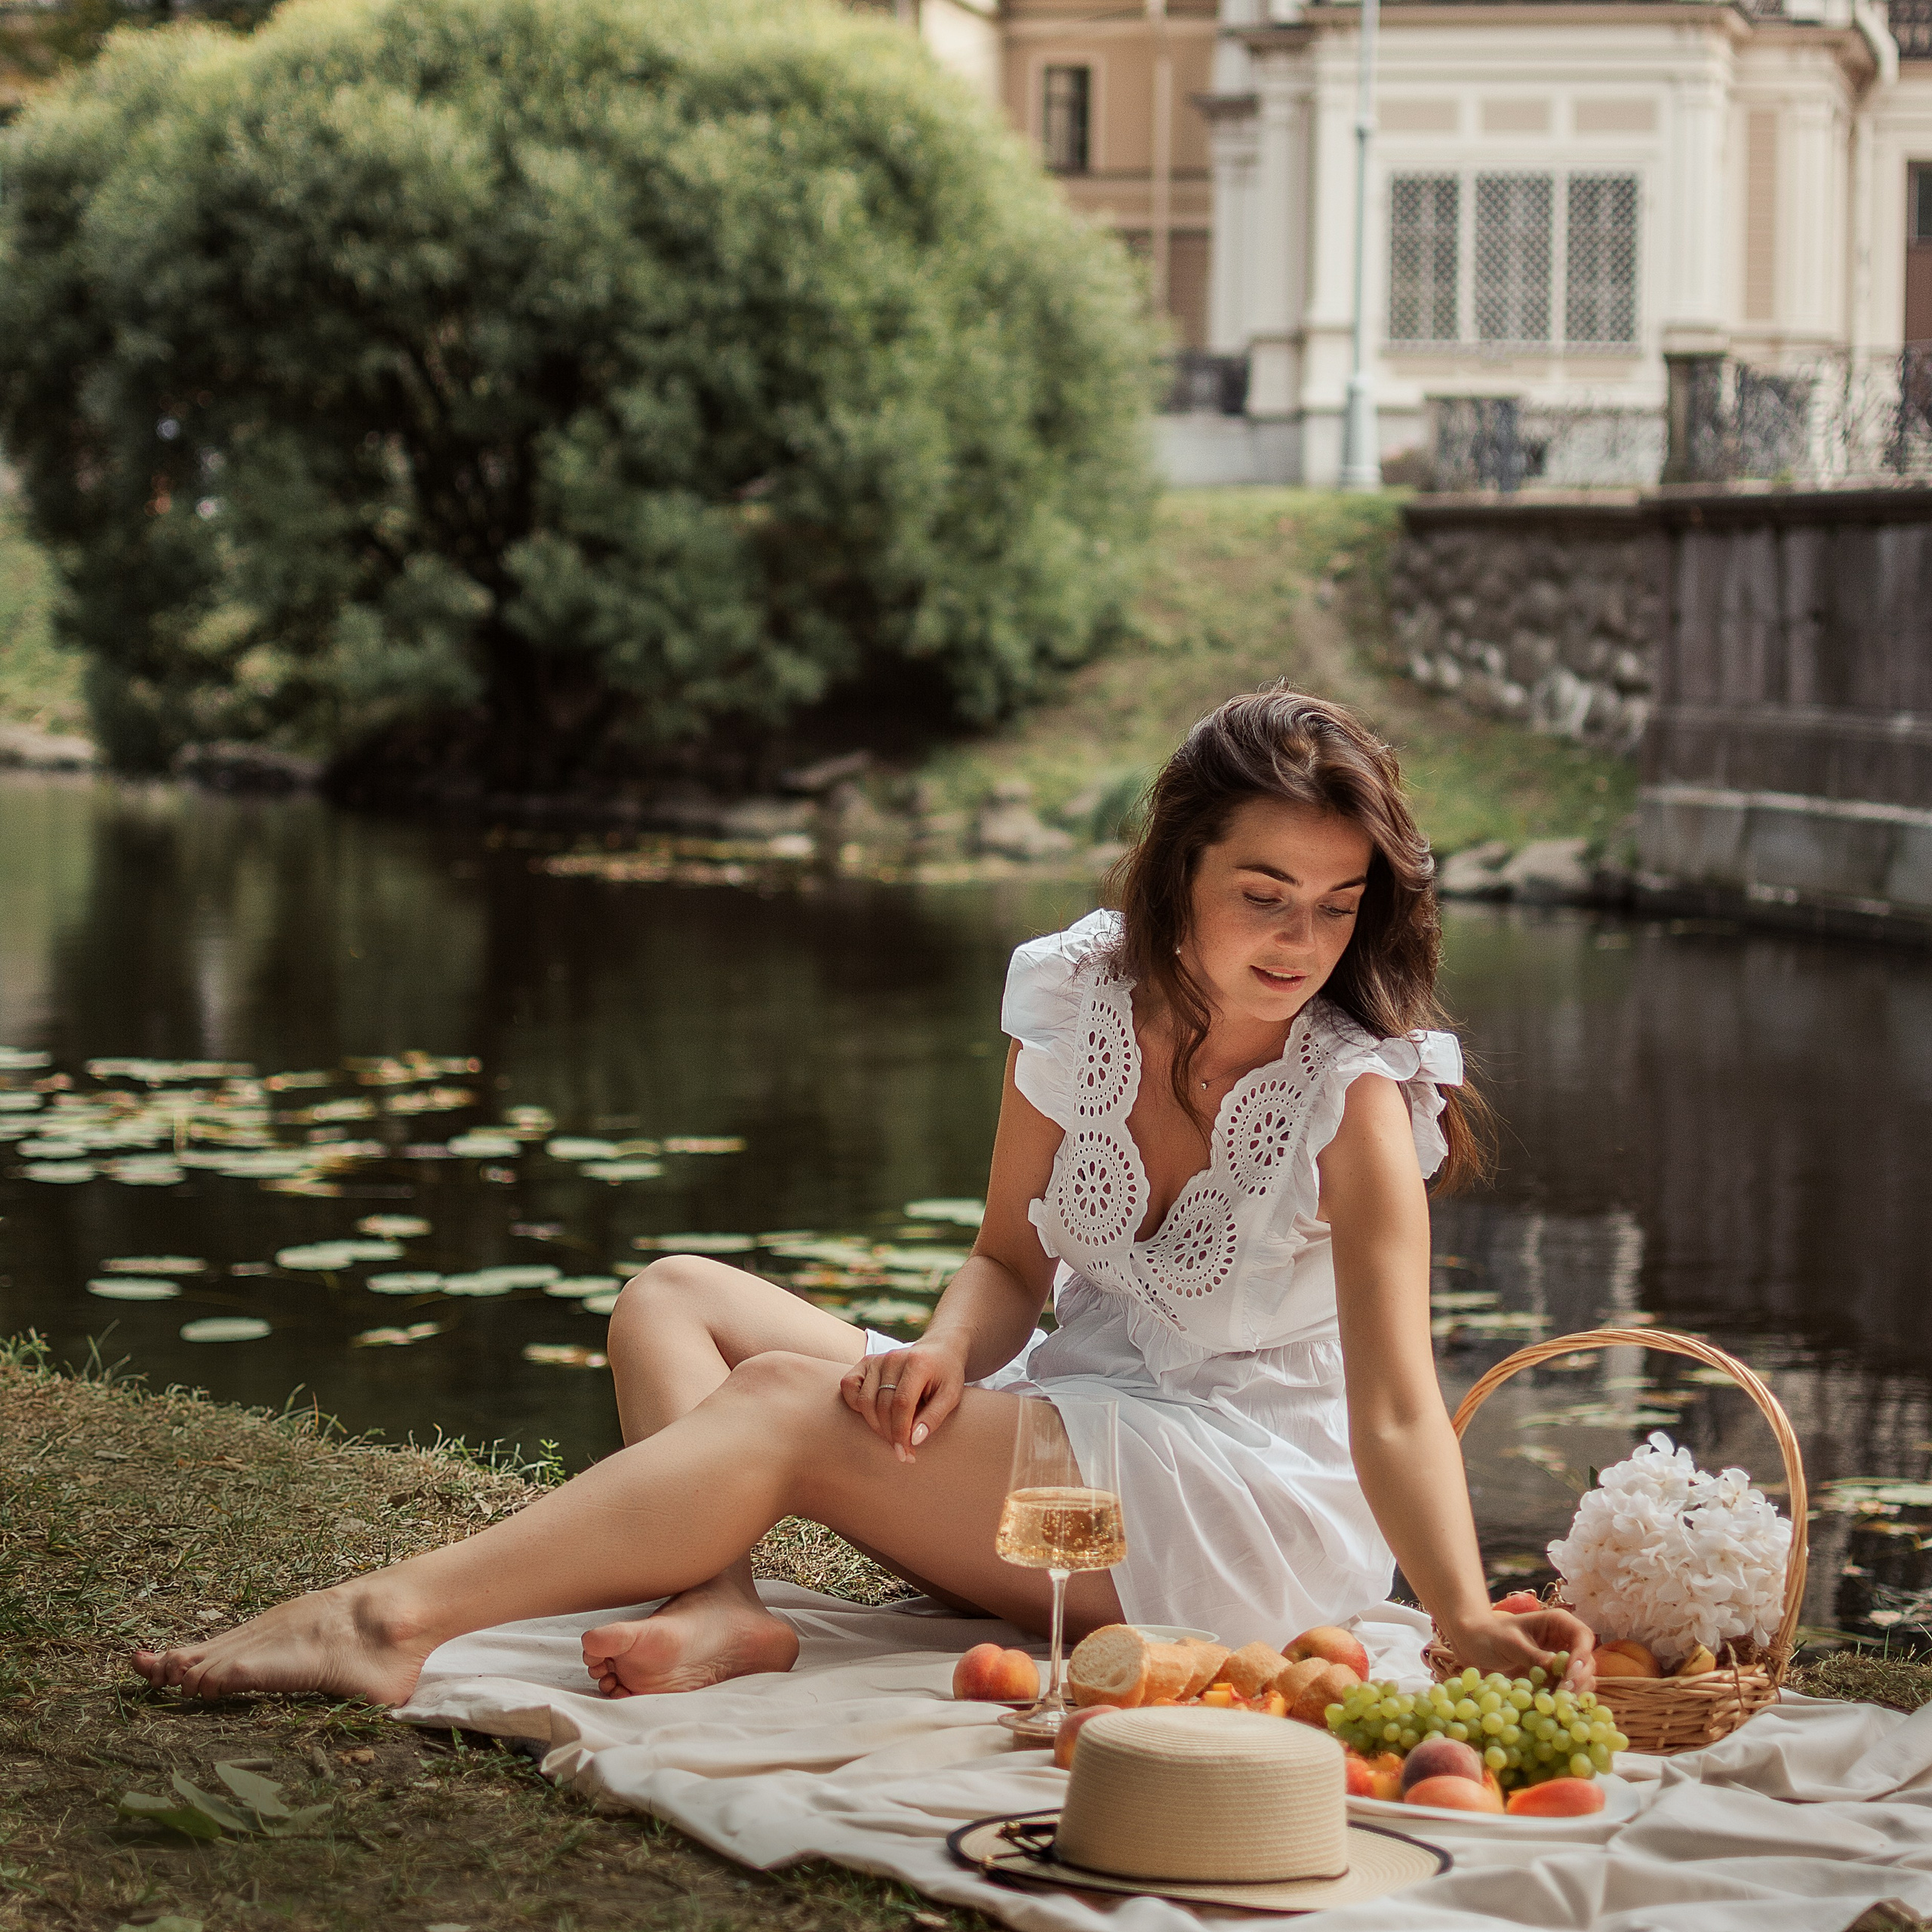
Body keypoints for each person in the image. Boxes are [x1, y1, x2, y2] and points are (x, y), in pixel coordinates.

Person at [133, 687, 1595, 1705]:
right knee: (672, 1300)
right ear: (1174, 871)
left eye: (1336, 905)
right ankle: (717, 1603)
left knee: (776, 1406)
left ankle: (391, 1616)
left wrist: (1459, 1612)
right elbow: (1006, 1261)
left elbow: (1397, 1402)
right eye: (1261, 891)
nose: (1298, 940)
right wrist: (946, 1352)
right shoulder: (1078, 996)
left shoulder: (1355, 1093)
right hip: (1064, 1428)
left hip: (1210, 1537)